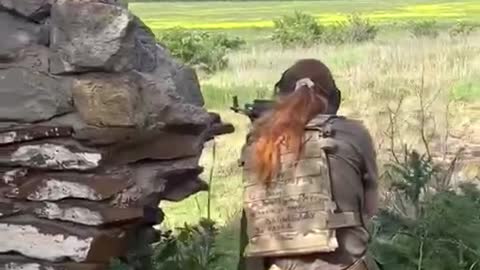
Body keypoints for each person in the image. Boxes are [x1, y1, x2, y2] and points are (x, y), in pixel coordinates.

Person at [237, 59, 379, 270]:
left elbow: (253, 221)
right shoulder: (354, 135)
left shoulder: (257, 142)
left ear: (279, 96)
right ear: (335, 98)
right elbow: (370, 209)